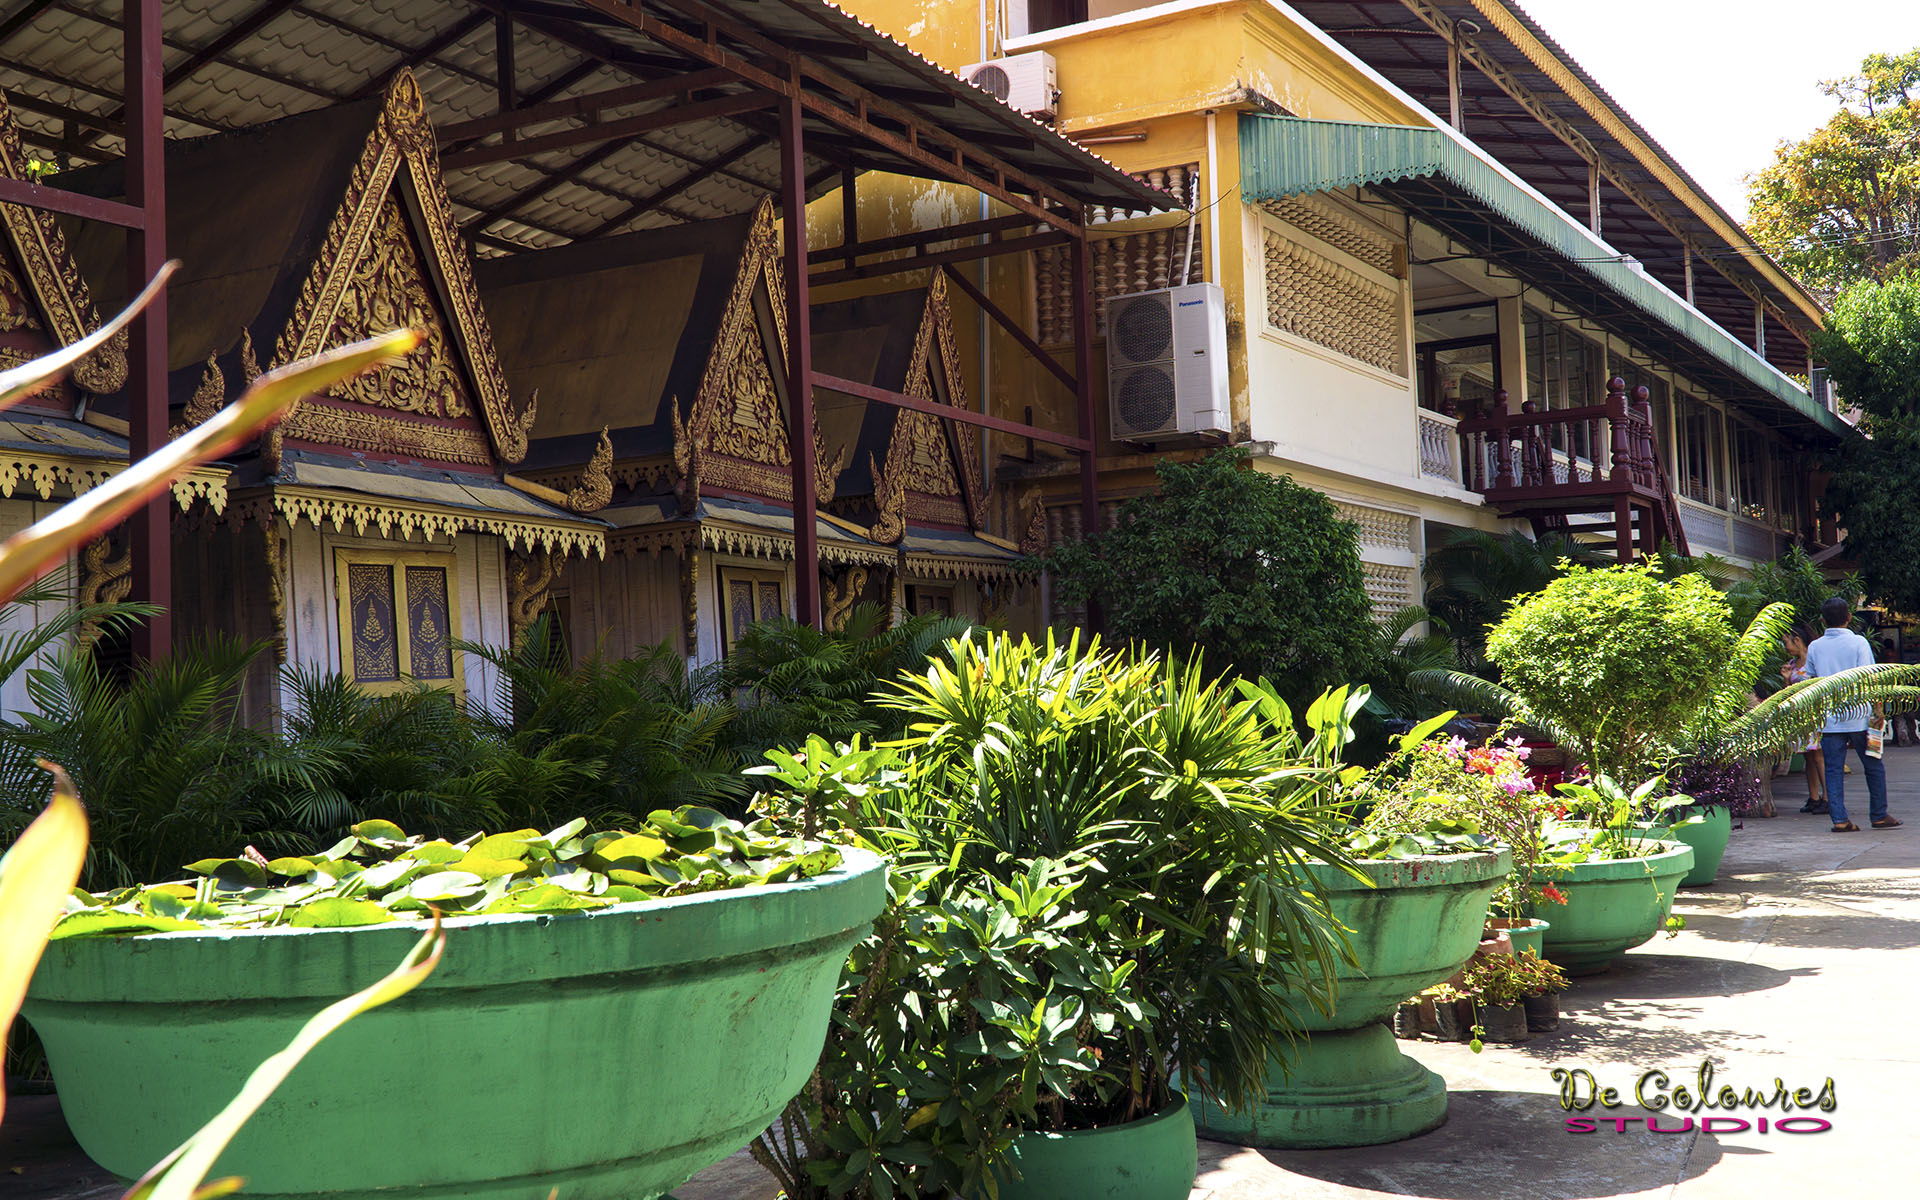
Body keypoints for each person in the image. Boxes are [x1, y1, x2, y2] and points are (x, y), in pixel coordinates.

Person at [1804, 597, 1899, 832]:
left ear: (1823, 620)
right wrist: (1879, 711)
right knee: (1873, 766)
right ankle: (1878, 814)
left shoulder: (1815, 646)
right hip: (1861, 715)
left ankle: (1839, 819)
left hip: (1830, 719)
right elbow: (1871, 678)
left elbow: (1810, 683)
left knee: (1833, 769)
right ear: (1849, 618)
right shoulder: (1859, 643)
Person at [1781, 624, 1827, 813]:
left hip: (1815, 713)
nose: (1785, 647)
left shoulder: (1813, 661)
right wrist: (1786, 679)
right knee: (1809, 757)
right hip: (1800, 716)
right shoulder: (1792, 664)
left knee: (1818, 757)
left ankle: (1828, 797)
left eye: (1786, 643)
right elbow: (1786, 693)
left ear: (1797, 640)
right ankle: (1813, 796)